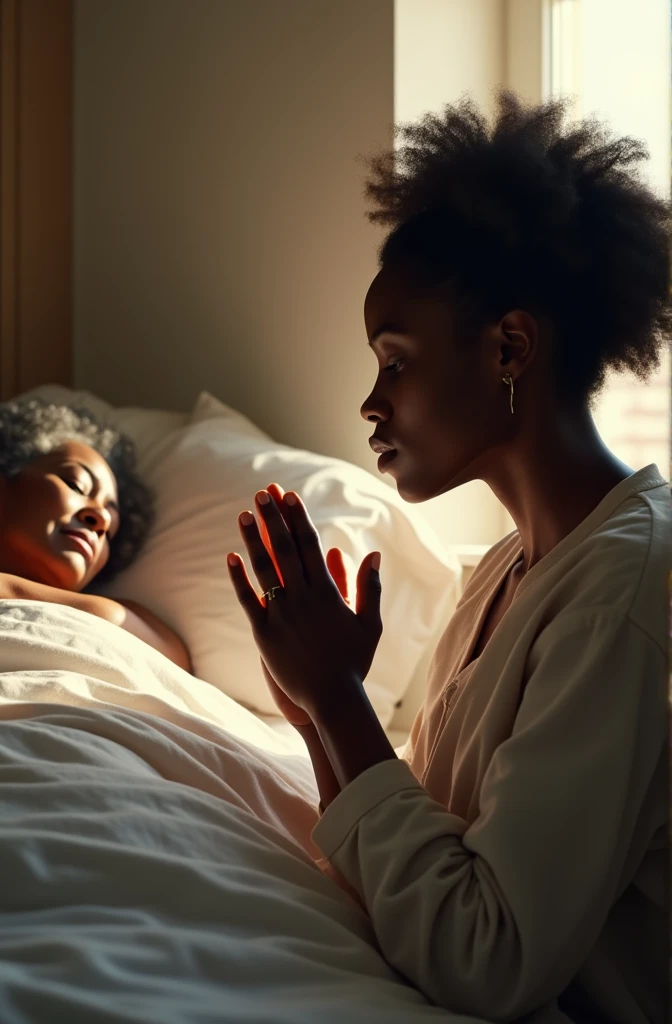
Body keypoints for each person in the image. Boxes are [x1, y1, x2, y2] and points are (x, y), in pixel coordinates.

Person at [227, 91, 671, 1023]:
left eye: (395, 361)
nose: (370, 404)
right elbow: (419, 865)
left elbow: (486, 955)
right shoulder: (506, 572)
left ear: (510, 347)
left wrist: (346, 701)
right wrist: (317, 710)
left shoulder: (624, 593)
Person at [0, 399, 191, 671]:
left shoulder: (132, 619)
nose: (101, 519)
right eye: (77, 485)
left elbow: (174, 659)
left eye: (111, 531)